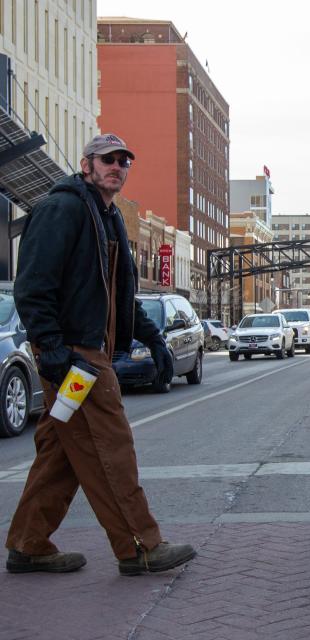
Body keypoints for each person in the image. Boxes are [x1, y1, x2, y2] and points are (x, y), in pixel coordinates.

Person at [6, 134, 196, 576]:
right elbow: (32, 288)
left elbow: (119, 297)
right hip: (78, 360)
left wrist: (153, 339)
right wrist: (53, 352)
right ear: (86, 164)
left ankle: (29, 545)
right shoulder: (63, 209)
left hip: (92, 353)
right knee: (111, 446)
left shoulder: (106, 217)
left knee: (61, 454)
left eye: (123, 161)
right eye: (107, 160)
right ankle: (140, 546)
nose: (116, 167)